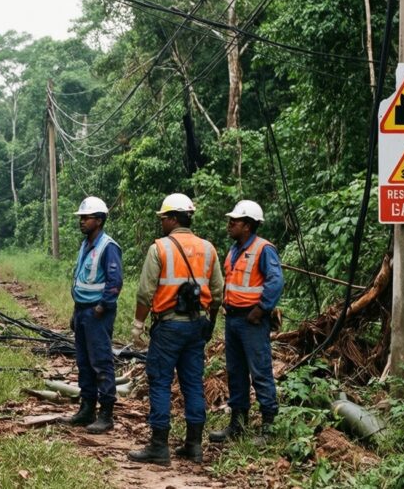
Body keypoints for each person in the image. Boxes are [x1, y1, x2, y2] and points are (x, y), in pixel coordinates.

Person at [128, 194, 223, 465]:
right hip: (197, 324)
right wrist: (210, 322)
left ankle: (159, 446)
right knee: (192, 382)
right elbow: (218, 293)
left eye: (163, 218)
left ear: (172, 219)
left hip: (168, 325)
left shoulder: (159, 248)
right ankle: (194, 445)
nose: (161, 223)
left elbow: (145, 293)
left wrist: (138, 325)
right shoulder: (208, 249)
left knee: (160, 381)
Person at [209, 200, 284, 443]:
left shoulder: (264, 249)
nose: (230, 224)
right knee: (236, 372)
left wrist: (261, 309)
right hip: (233, 319)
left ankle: (268, 427)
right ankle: (238, 424)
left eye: (235, 221)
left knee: (260, 372)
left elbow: (276, 281)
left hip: (252, 321)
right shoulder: (234, 249)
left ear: (248, 225)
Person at [63, 196, 123, 434]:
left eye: (86, 218)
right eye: (81, 218)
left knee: (101, 362)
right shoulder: (85, 244)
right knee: (84, 361)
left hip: (98, 313)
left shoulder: (108, 247)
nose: (82, 221)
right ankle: (86, 408)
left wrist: (101, 307)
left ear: (99, 220)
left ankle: (106, 413)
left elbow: (115, 282)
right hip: (82, 310)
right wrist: (76, 311)